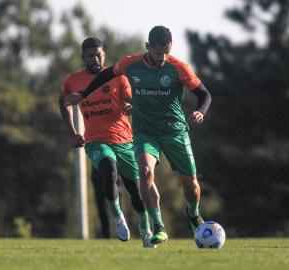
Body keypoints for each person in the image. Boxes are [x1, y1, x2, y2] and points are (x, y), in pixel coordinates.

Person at [65, 26, 212, 245]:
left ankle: (192, 212)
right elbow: (106, 75)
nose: (162, 58)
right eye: (157, 53)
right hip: (145, 133)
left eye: (166, 53)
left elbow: (204, 94)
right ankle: (159, 227)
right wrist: (84, 95)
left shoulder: (178, 68)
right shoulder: (129, 63)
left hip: (175, 132)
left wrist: (200, 111)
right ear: (147, 47)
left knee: (191, 184)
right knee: (145, 172)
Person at [59, 37, 155, 248]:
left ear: (105, 54)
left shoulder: (118, 77)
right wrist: (74, 132)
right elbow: (63, 102)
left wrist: (132, 107)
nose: (95, 58)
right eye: (90, 55)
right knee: (108, 170)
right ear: (83, 57)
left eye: (99, 54)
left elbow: (132, 101)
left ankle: (145, 230)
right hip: (95, 141)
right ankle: (118, 216)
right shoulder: (72, 81)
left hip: (124, 141)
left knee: (136, 192)